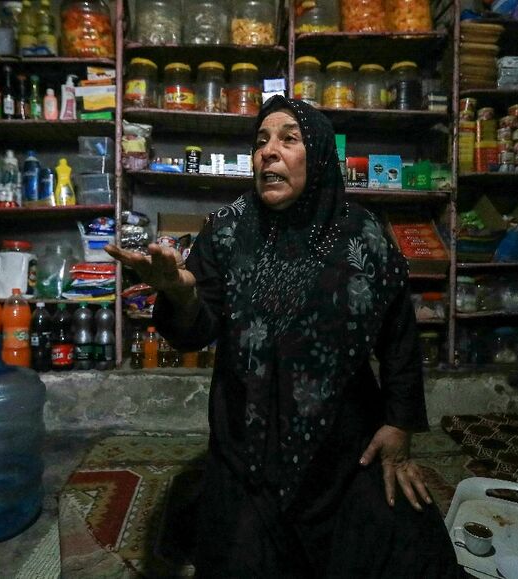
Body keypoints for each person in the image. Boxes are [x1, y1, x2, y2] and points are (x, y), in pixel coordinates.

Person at [105, 96, 459, 578]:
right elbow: (195, 331)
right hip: (246, 445)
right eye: (261, 141)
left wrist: (398, 428)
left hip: (342, 446)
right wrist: (178, 294)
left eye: (288, 139)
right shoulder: (229, 229)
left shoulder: (364, 236)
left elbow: (398, 337)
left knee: (411, 553)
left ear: (317, 155)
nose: (268, 152)